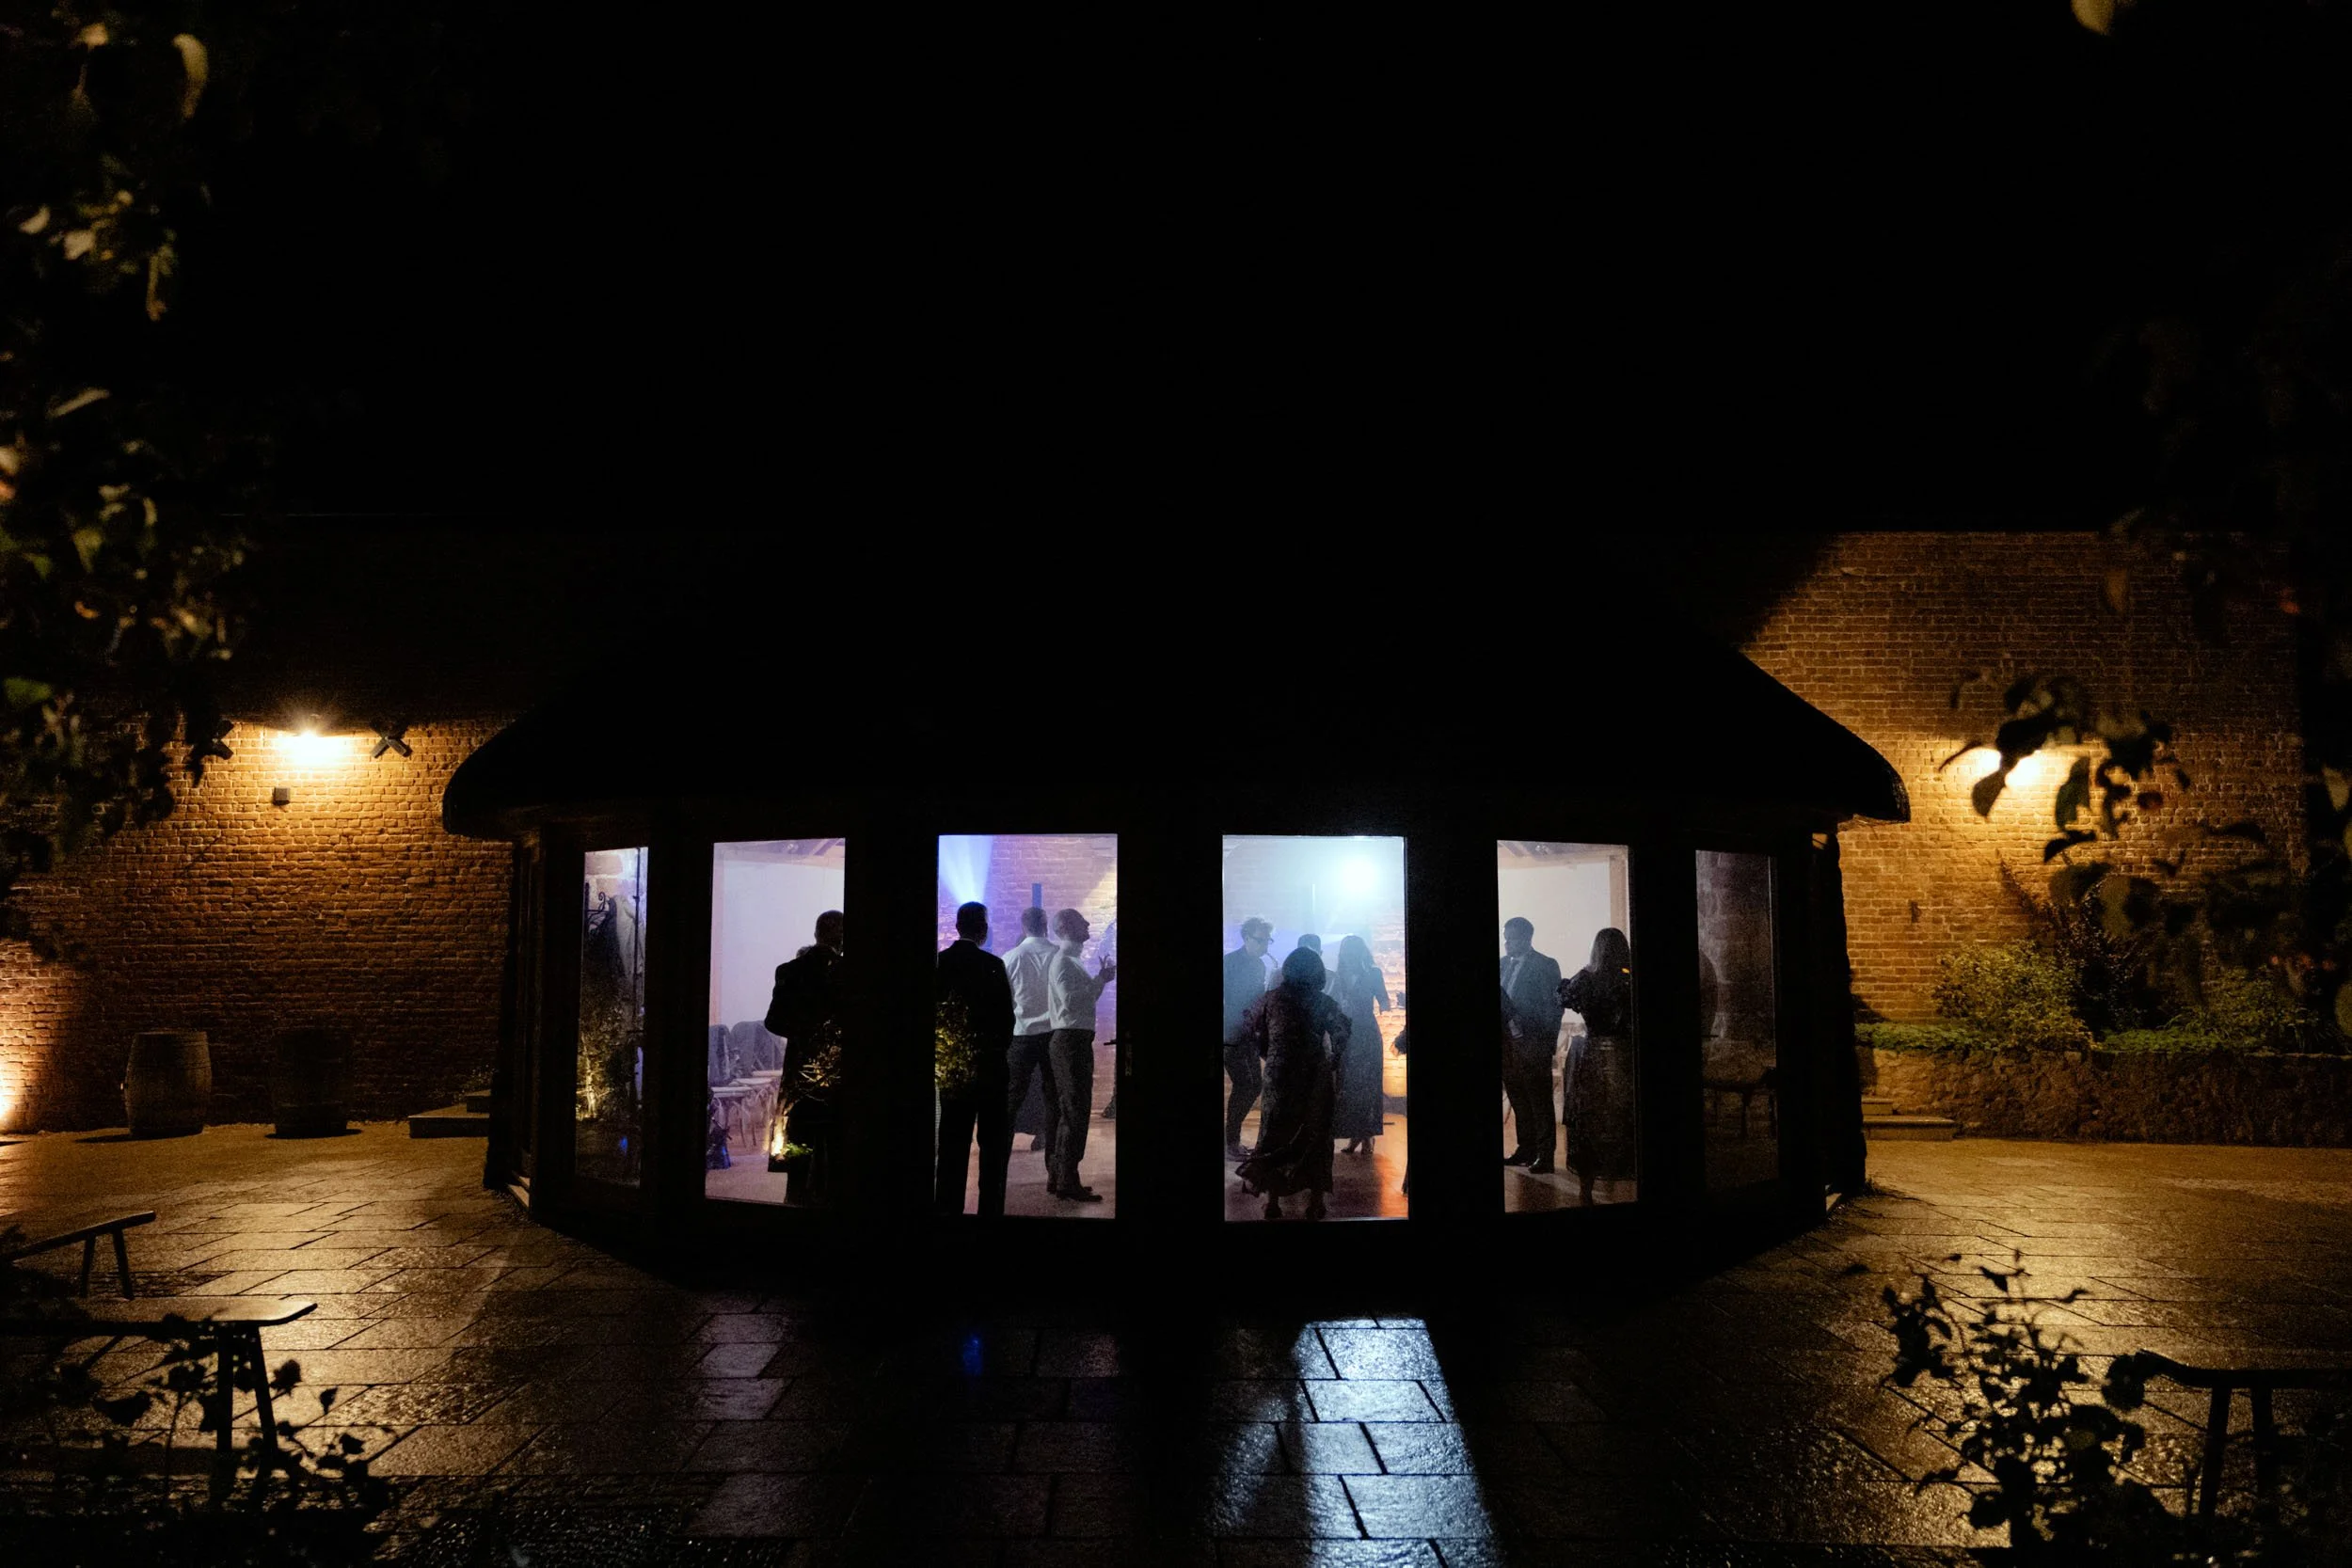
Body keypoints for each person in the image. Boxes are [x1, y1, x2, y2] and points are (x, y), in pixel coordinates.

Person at [1234, 946, 1352, 1220]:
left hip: (1280, 1073)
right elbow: (1342, 1032)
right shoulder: (1323, 1002)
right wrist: (1332, 1059)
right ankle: (1316, 1201)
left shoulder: (1270, 999)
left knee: (1276, 1131)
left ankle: (1272, 1201)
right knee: (1316, 1134)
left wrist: (1270, 1053)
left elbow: (1253, 1030)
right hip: (1314, 1074)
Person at [934, 901, 1016, 1217]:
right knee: (993, 1149)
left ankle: (946, 1210)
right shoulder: (993, 965)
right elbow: (1006, 1019)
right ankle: (990, 1212)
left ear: (957, 927)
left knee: (952, 1145)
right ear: (983, 928)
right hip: (991, 1068)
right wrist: (997, 1051)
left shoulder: (939, 964)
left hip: (954, 1069)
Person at [764, 909, 845, 1204]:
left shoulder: (790, 971)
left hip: (800, 1071)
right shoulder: (849, 973)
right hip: (839, 1074)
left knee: (799, 1141)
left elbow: (773, 1021)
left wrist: (804, 1033)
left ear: (816, 934)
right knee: (836, 1143)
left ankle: (796, 1204)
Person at [1559, 927, 1636, 1207]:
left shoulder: (1586, 978)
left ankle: (1586, 1189)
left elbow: (1564, 997)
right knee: (1623, 1115)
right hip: (1626, 1054)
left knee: (1589, 1118)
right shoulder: (1630, 978)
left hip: (1592, 1054)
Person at [1045, 907, 1117, 1202]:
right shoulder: (1063, 962)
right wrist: (1100, 979)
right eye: (1080, 921)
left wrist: (1100, 979)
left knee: (1070, 1111)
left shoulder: (1070, 961)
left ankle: (1059, 1176)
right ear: (1065, 928)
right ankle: (1066, 1180)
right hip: (1070, 1042)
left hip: (1071, 1041)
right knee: (1075, 1112)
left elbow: (1083, 999)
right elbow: (1073, 1002)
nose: (1088, 924)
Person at [1499, 916, 1564, 1172]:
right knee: (1517, 1098)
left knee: (1539, 1100)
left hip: (1533, 1041)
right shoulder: (1502, 964)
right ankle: (1525, 1148)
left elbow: (1553, 1006)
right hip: (1506, 1044)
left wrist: (1547, 1042)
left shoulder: (1546, 965)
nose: (1506, 943)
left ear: (1526, 938)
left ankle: (1545, 1156)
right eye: (1505, 937)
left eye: (1511, 938)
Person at [1001, 906, 1061, 1164]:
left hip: (1021, 1033)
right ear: (1046, 924)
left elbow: (1004, 1000)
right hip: (1051, 1034)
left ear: (1023, 926)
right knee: (1053, 1098)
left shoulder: (1011, 957)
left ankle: (999, 1160)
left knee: (1010, 1099)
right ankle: (1054, 1165)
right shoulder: (1058, 955)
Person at [1330, 934, 1390, 1156]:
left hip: (1366, 1033)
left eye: (1349, 953)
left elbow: (1383, 1000)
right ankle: (1356, 1135)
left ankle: (1367, 1136)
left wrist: (1386, 1005)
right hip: (1346, 1034)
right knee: (1348, 1085)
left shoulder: (1373, 973)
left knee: (1368, 1085)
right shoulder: (1339, 976)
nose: (1346, 957)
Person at [1222, 917, 1274, 1159]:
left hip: (1248, 1035)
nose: (1265, 946)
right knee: (1248, 1084)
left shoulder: (1260, 966)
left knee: (1251, 1085)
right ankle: (1230, 1141)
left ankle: (1231, 1140)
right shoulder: (1229, 963)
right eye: (1260, 940)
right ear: (1246, 938)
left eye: (1267, 941)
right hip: (1231, 1034)